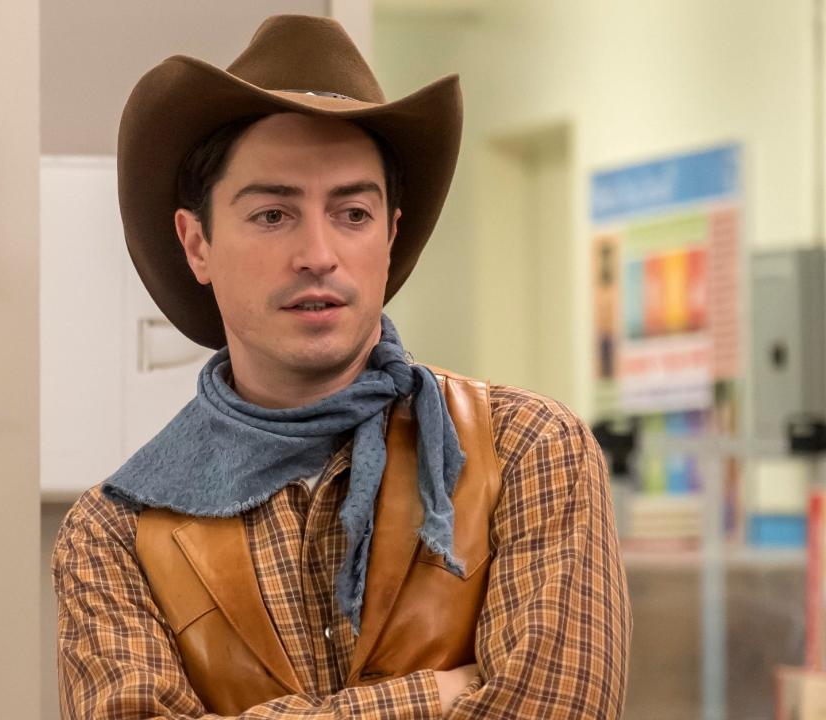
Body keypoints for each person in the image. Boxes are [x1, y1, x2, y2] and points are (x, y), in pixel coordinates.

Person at [53, 14, 631, 719]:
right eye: (273, 214)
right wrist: (440, 693)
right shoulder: (117, 531)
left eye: (353, 213)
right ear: (197, 242)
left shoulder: (528, 451)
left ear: (389, 234)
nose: (318, 254)